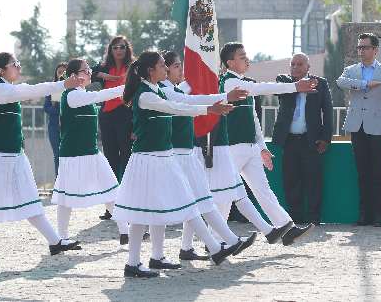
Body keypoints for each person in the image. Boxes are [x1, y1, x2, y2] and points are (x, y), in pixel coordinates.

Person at [113, 51, 239, 278]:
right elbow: (176, 108)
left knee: (168, 206)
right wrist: (209, 109)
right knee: (146, 211)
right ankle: (135, 263)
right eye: (162, 65)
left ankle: (153, 258)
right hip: (148, 160)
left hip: (162, 158)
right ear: (151, 70)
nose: (165, 69)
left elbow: (186, 100)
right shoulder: (145, 95)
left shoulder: (157, 89)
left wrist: (221, 97)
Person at [0, 52, 83, 267]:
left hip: (11, 156)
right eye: (14, 64)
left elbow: (29, 91)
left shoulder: (3, 88)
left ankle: (55, 241)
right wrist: (63, 84)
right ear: (1, 70)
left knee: (29, 199)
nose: (18, 67)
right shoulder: (0, 89)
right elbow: (32, 90)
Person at [213, 42, 317, 244]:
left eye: (246, 55)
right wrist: (294, 86)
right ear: (230, 63)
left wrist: (262, 148)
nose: (247, 59)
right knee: (225, 193)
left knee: (263, 190)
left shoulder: (244, 84)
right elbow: (261, 88)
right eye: (242, 57)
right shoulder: (228, 83)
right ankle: (216, 240)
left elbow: (253, 120)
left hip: (250, 148)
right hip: (231, 148)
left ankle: (287, 228)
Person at [159, 51, 257, 261]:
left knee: (195, 202)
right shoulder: (166, 91)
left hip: (186, 153)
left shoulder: (173, 89)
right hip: (177, 155)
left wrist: (215, 101)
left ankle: (194, 247)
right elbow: (189, 102)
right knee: (194, 201)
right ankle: (226, 242)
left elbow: (192, 100)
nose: (181, 70)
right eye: (176, 66)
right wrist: (218, 100)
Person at [52, 59, 128, 244]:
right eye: (85, 70)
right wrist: (125, 88)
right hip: (73, 154)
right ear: (73, 75)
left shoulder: (82, 94)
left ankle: (125, 232)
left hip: (91, 152)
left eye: (88, 70)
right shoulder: (71, 95)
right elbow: (98, 96)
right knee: (65, 197)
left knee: (111, 188)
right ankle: (62, 237)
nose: (89, 73)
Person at [338, 33, 381, 227]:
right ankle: (364, 214)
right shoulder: (351, 70)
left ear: (375, 50)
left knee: (379, 173)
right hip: (358, 126)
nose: (361, 51)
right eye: (359, 47)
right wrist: (365, 84)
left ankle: (380, 215)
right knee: (362, 173)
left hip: (379, 127)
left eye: (365, 47)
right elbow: (341, 82)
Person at [273, 53, 334, 224]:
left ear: (308, 67)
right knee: (291, 180)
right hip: (289, 140)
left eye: (300, 64)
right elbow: (282, 87)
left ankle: (314, 217)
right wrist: (298, 85)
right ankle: (295, 217)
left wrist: (326, 138)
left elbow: (328, 112)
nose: (295, 67)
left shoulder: (320, 83)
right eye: (293, 64)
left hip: (311, 140)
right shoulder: (284, 82)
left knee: (313, 180)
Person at [92, 36, 134, 220]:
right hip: (107, 116)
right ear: (110, 49)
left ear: (127, 49)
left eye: (122, 47)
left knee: (126, 156)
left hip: (126, 115)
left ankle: (126, 202)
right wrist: (104, 76)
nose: (119, 50)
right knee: (110, 158)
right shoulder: (104, 66)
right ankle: (111, 205)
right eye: (115, 47)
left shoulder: (133, 66)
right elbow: (90, 72)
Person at [43, 62, 67, 176]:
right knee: (57, 155)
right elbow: (46, 107)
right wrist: (56, 110)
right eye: (59, 72)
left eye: (64, 72)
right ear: (56, 74)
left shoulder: (73, 89)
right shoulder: (52, 88)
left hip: (68, 127)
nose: (62, 74)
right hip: (54, 126)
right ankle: (58, 184)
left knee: (67, 155)